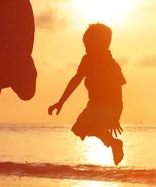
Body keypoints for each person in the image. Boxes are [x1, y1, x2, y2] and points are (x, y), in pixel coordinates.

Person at [48, 23, 126, 165]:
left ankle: (113, 143)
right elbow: (76, 80)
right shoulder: (87, 60)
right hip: (94, 105)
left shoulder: (110, 64)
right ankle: (112, 142)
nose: (86, 48)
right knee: (79, 129)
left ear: (103, 44)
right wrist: (61, 102)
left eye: (89, 45)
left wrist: (115, 117)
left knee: (95, 127)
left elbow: (118, 91)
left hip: (111, 106)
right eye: (85, 46)